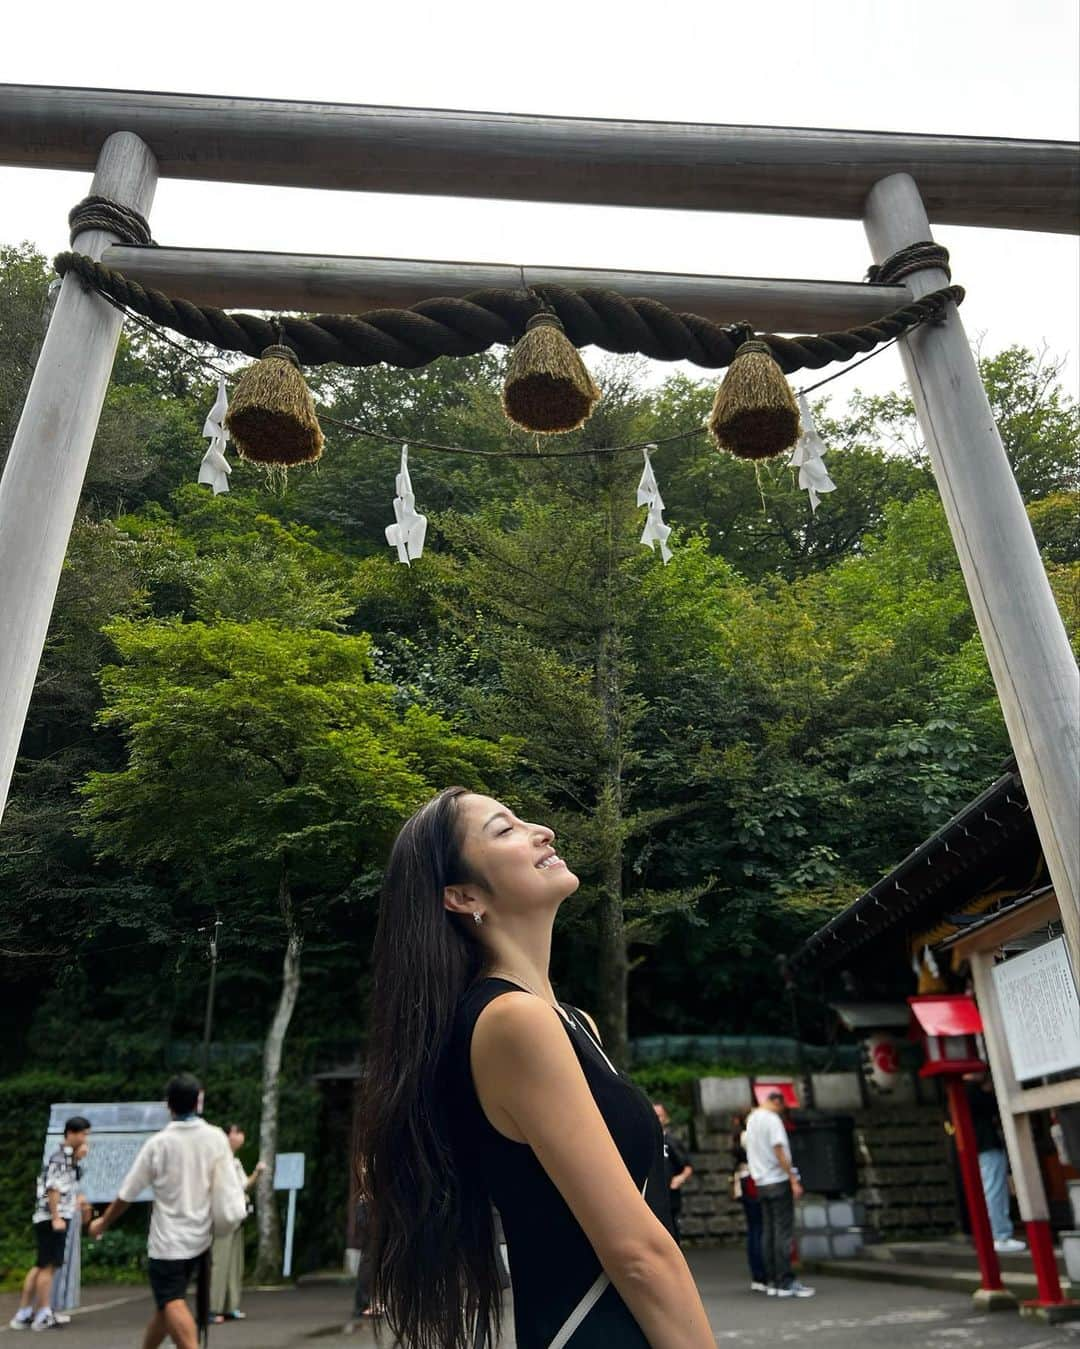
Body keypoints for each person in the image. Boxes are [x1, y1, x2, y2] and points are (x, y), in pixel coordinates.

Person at [357, 788, 715, 1349]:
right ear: (463, 895)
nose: (541, 829)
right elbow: (638, 1254)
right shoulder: (512, 1023)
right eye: (505, 829)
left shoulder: (571, 1021)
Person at [89, 1073, 243, 1349]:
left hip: (167, 1243)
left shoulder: (159, 1144)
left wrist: (103, 1223)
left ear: (168, 1105)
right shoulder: (216, 1137)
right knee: (167, 1305)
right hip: (201, 1238)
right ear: (199, 1102)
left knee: (171, 1300)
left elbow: (128, 1193)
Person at [9, 1115, 92, 1332]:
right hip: (52, 1217)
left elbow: (67, 1184)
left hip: (48, 1216)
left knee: (39, 1265)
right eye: (83, 1134)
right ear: (71, 1133)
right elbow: (53, 1188)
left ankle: (25, 1312)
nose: (85, 1140)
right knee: (48, 1266)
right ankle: (43, 1313)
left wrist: (76, 1161)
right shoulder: (59, 1159)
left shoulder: (67, 1159)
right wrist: (56, 1217)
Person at [744, 1092, 815, 1298]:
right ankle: (785, 1279)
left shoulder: (752, 1119)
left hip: (760, 1180)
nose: (783, 1112)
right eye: (783, 1108)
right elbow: (779, 1150)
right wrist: (792, 1178)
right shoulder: (772, 1119)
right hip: (777, 1179)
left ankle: (773, 1279)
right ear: (777, 1102)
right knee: (782, 1231)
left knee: (768, 1231)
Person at [209, 1124, 265, 1324]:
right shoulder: (217, 1160)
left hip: (236, 1216)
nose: (240, 1136)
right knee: (219, 1262)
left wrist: (257, 1173)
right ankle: (213, 1308)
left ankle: (230, 1306)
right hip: (222, 1217)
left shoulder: (235, 1162)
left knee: (234, 1264)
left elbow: (244, 1185)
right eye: (236, 1132)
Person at [966, 1072, 1025, 1253]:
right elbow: (994, 1106)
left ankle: (994, 1233)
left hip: (975, 1147)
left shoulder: (960, 1092)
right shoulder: (973, 1092)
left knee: (989, 1190)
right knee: (994, 1190)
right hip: (986, 1145)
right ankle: (1000, 1234)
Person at [52, 1139, 94, 1323]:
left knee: (68, 1262)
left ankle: (58, 1306)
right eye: (84, 1145)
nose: (87, 1149)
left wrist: (84, 1205)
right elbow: (53, 1192)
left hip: (73, 1218)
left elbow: (78, 1194)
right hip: (63, 1217)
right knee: (57, 1263)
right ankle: (50, 1307)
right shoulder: (61, 1165)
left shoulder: (77, 1169)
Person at [731, 1113, 767, 1292]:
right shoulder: (748, 1136)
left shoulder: (738, 1137)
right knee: (760, 1227)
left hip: (744, 1180)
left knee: (754, 1228)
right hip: (754, 1179)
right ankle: (762, 1273)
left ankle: (758, 1274)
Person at [652, 1103, 694, 1243]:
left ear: (666, 1118)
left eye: (659, 1116)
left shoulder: (672, 1142)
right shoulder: (645, 1141)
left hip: (670, 1196)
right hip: (651, 1195)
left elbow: (687, 1166)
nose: (656, 1119)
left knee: (672, 1231)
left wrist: (679, 1179)